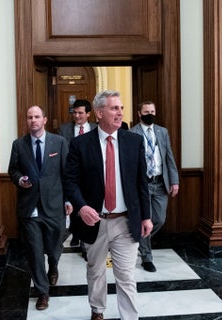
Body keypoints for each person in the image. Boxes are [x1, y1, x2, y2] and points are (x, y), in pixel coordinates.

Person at [63, 90, 153, 320]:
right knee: (95, 271)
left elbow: (142, 182)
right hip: (95, 222)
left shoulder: (134, 141)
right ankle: (97, 310)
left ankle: (130, 317)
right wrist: (82, 207)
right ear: (99, 112)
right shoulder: (80, 144)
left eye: (121, 108)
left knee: (126, 275)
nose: (120, 112)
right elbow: (70, 182)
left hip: (125, 220)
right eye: (114, 108)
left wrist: (146, 216)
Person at [8, 106, 72, 311]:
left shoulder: (59, 142)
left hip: (54, 206)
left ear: (44, 120)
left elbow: (67, 174)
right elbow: (13, 170)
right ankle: (42, 292)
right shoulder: (19, 144)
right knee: (35, 252)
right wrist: (20, 180)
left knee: (54, 248)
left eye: (36, 117)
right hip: (30, 208)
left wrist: (69, 200)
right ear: (26, 121)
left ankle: (53, 265)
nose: (33, 120)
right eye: (29, 117)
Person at [130, 101, 179, 272]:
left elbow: (169, 157)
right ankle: (146, 257)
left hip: (160, 182)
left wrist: (174, 181)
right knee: (146, 219)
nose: (149, 114)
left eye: (152, 111)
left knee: (159, 219)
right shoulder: (131, 133)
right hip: (142, 184)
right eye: (146, 111)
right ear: (139, 113)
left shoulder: (162, 131)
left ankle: (139, 240)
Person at [57, 99, 97, 248]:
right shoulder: (64, 129)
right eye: (75, 113)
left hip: (90, 175)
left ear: (88, 114)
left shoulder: (95, 128)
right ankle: (76, 233)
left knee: (87, 206)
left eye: (80, 113)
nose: (77, 116)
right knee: (74, 206)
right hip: (72, 174)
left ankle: (84, 241)